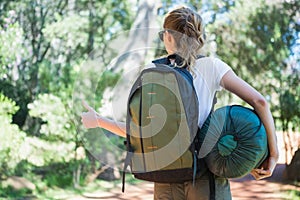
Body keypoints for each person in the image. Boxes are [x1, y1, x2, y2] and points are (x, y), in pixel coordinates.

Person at [81, 6, 279, 200]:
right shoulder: (213, 66)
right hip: (203, 177)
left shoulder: (151, 71)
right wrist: (273, 154)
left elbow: (140, 132)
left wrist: (98, 120)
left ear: (167, 35)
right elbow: (259, 101)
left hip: (165, 177)